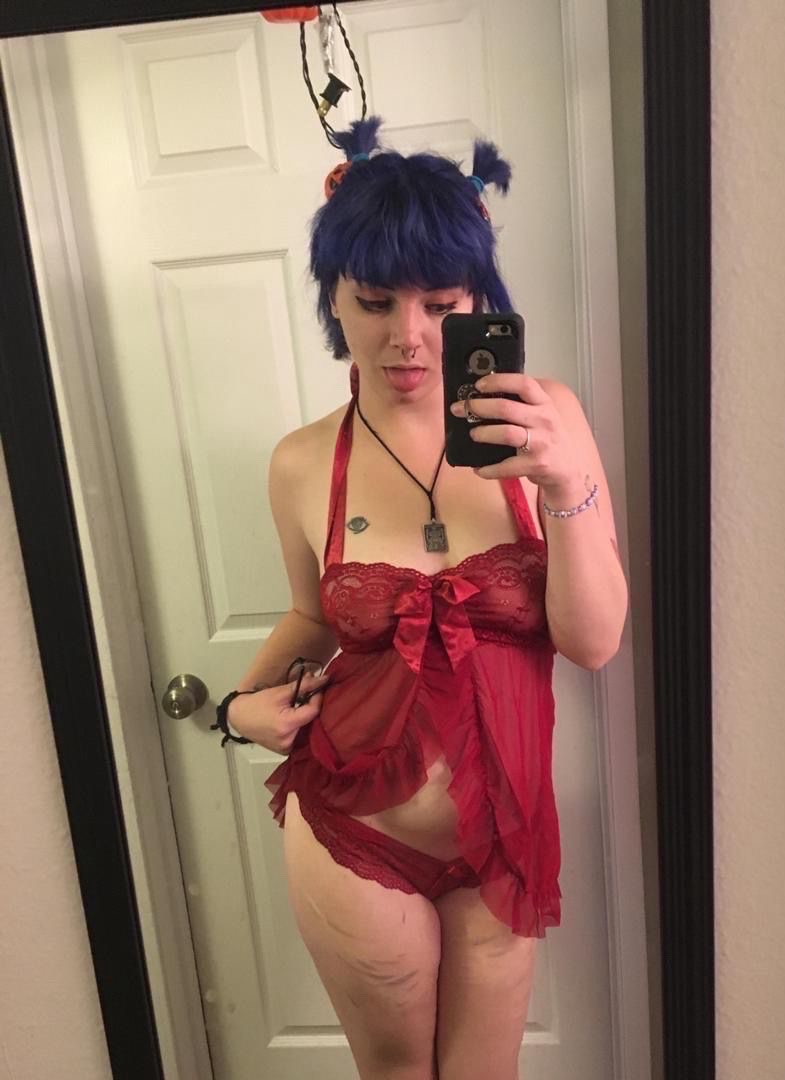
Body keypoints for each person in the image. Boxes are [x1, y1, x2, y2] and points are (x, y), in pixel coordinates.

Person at [224, 116, 628, 1080]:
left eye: (442, 304)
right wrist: (238, 708)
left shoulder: (547, 424)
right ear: (332, 296)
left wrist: (564, 482)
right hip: (355, 830)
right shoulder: (300, 462)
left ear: (478, 300)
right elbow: (312, 616)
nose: (408, 336)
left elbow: (593, 642)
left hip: (503, 834)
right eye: (374, 302)